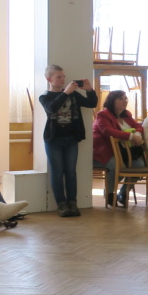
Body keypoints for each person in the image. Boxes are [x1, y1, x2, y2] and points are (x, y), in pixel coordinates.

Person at [39, 65, 98, 217]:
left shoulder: (73, 94)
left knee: (71, 171)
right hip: (53, 139)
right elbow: (51, 108)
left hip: (72, 138)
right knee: (57, 172)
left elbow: (91, 103)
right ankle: (61, 204)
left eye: (63, 76)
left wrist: (89, 90)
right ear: (49, 79)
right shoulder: (45, 96)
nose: (62, 79)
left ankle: (72, 202)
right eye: (58, 77)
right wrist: (65, 93)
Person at [92, 90, 146, 207]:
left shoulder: (126, 114)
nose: (125, 101)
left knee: (140, 165)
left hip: (124, 151)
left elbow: (138, 126)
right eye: (121, 99)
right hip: (104, 151)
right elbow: (108, 131)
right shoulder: (103, 114)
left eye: (125, 98)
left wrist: (137, 134)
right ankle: (110, 193)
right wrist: (131, 136)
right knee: (117, 166)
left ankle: (123, 192)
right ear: (112, 101)